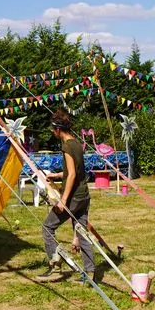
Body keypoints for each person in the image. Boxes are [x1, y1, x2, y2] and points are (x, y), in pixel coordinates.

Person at [38, 112, 97, 283]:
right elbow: (76, 171)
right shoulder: (77, 144)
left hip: (74, 198)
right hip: (84, 196)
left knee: (48, 227)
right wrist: (57, 176)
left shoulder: (66, 147)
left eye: (52, 129)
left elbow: (71, 175)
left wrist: (63, 200)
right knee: (81, 232)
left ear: (58, 130)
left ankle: (56, 267)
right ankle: (90, 273)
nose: (52, 132)